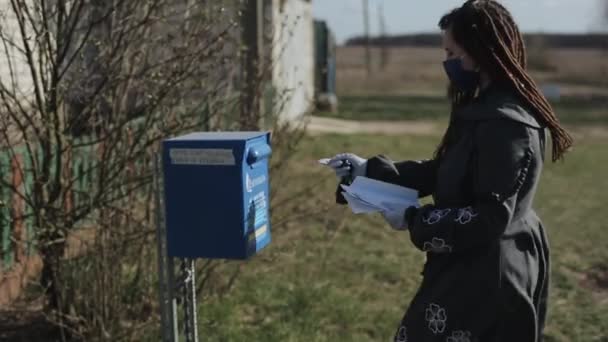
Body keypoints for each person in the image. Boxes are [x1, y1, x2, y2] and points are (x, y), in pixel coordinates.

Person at [328, 1, 574, 341]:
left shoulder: (506, 124)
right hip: (468, 264)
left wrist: (415, 218)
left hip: (490, 277)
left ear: (479, 51)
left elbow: (490, 217)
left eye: (451, 52)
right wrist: (369, 170)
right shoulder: (482, 108)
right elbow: (445, 171)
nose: (447, 63)